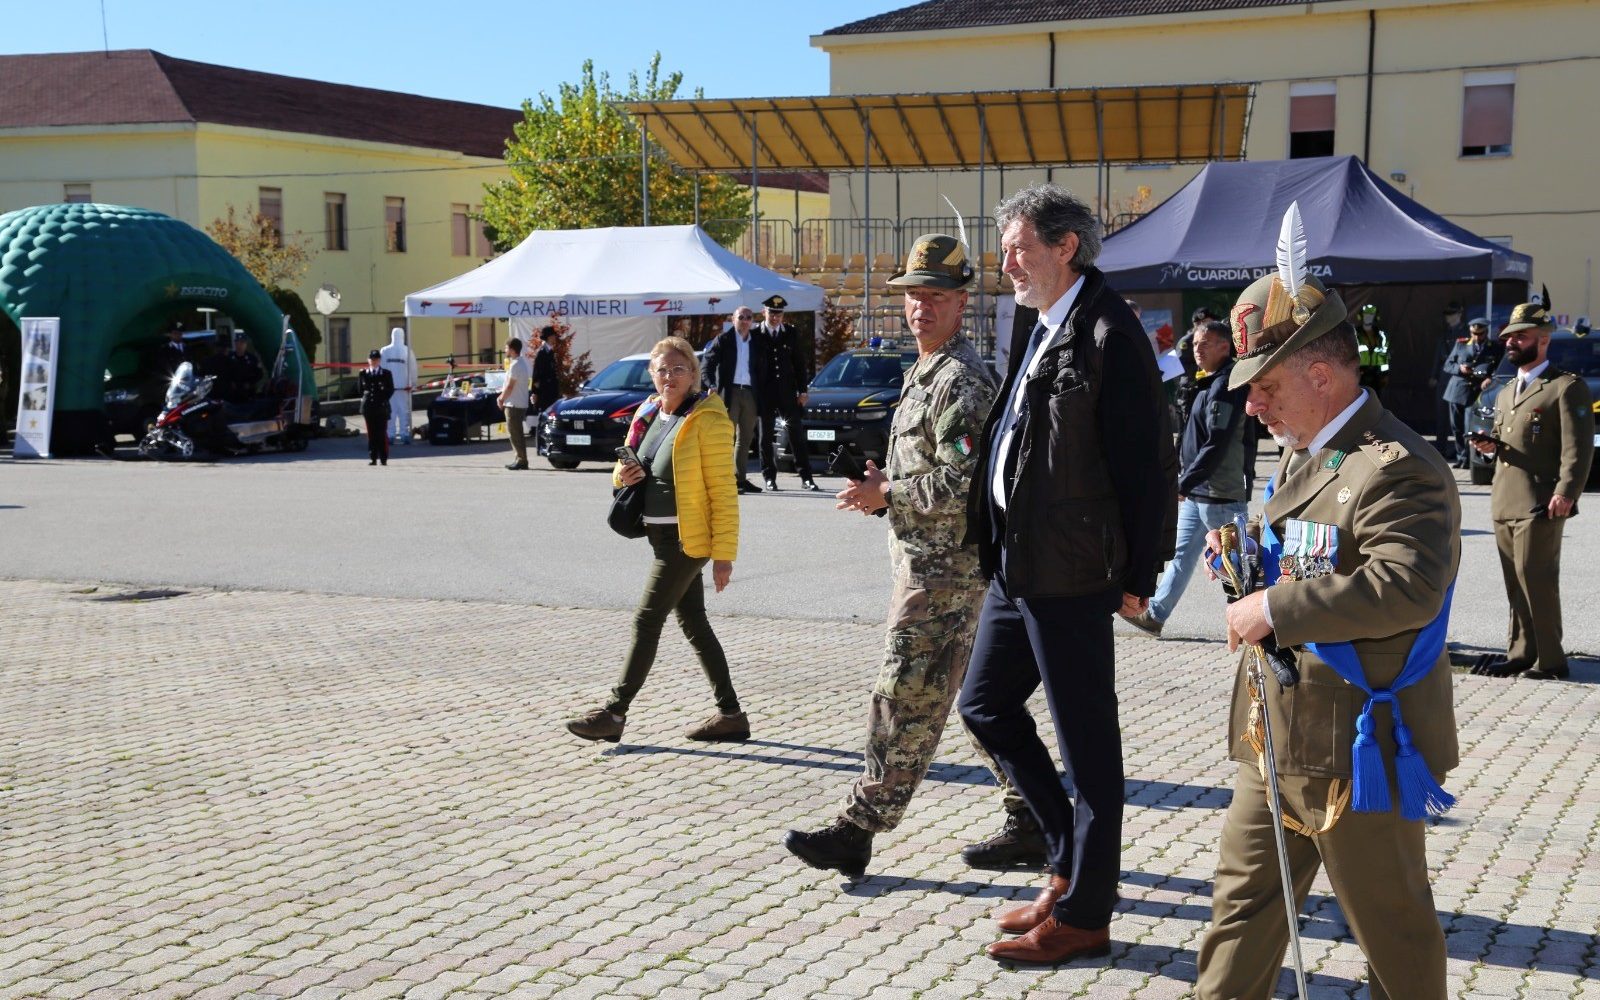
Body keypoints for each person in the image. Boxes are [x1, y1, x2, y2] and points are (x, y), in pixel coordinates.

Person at [1195, 262, 1461, 1000]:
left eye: (1265, 386)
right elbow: (1310, 550)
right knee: (1239, 914)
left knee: (1392, 933)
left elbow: (1406, 586)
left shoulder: (1399, 467)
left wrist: (1274, 610)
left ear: (1321, 374)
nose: (1252, 405)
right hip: (1276, 734)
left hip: (1359, 743)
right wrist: (1247, 557)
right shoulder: (1307, 445)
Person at [956, 183, 1172, 964]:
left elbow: (1149, 462)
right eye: (1006, 249)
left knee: (1089, 754)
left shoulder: (1109, 331)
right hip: (1019, 563)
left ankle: (1085, 914)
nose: (1007, 262)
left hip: (1072, 572)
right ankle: (1065, 862)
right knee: (984, 705)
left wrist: (1141, 569)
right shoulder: (1039, 321)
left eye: (1019, 248)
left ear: (1065, 246)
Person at [782, 233, 1027, 880]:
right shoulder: (926, 370)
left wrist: (888, 493)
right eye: (914, 294)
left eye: (936, 296)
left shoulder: (962, 381)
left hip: (945, 575)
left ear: (961, 302)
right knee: (968, 698)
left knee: (902, 695)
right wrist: (882, 485)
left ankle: (857, 827)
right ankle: (1030, 810)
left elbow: (966, 483)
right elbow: (928, 470)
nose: (922, 306)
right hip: (924, 563)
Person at [566, 336, 749, 743]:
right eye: (662, 370)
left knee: (647, 620)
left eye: (679, 369)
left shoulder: (708, 419)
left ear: (693, 374)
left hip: (686, 540)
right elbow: (625, 468)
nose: (670, 377)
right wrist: (624, 475)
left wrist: (724, 555)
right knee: (694, 623)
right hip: (658, 535)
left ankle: (614, 713)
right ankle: (731, 716)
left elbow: (724, 490)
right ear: (651, 374)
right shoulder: (649, 413)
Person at [1471, 293, 1595, 680]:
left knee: (1536, 579)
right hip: (1505, 498)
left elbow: (1577, 447)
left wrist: (1567, 492)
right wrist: (1489, 447)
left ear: (1543, 339)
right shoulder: (1506, 391)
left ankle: (1551, 661)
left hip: (1541, 500)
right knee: (1515, 581)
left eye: (1520, 336)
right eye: (1508, 336)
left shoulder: (1565, 387)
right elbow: (1510, 440)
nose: (1511, 342)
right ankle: (1521, 653)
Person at [1126, 319, 1253, 637]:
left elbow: (1217, 442)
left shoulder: (1226, 385)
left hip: (1220, 493)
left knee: (1234, 563)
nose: (1197, 349)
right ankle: (1155, 615)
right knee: (1181, 556)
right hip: (1199, 492)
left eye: (1205, 343)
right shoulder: (1208, 381)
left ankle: (1256, 622)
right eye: (1195, 344)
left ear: (1224, 346)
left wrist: (1185, 482)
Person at [702, 307, 771, 494]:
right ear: (733, 319)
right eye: (741, 317)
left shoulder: (757, 340)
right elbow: (707, 363)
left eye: (749, 317)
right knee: (726, 438)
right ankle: (724, 481)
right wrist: (711, 384)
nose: (745, 320)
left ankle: (740, 479)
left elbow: (764, 368)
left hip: (750, 394)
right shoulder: (723, 339)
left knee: (745, 438)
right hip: (729, 394)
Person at [755, 295, 820, 491]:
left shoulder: (790, 333)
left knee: (796, 435)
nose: (775, 318)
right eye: (772, 314)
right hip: (765, 394)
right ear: (764, 312)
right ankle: (769, 477)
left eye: (779, 314)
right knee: (765, 437)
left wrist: (803, 390)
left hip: (787, 392)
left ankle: (806, 477)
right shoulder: (755, 334)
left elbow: (799, 364)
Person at [1441, 316, 1501, 469]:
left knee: (1469, 427)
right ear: (1470, 332)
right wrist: (1459, 369)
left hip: (1476, 393)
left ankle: (1468, 459)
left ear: (1486, 332)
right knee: (1456, 427)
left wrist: (1490, 378)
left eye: (1480, 334)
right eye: (1474, 334)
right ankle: (1460, 458)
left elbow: (1500, 368)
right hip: (1457, 391)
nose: (1477, 337)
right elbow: (1448, 365)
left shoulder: (1495, 347)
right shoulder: (1461, 344)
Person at [1432, 301, 1469, 461]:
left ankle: (1461, 452)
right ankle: (1440, 449)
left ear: (1459, 314)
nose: (1449, 317)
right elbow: (1438, 357)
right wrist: (1433, 375)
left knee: (1458, 418)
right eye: (1447, 314)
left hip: (1459, 377)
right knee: (1442, 416)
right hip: (1444, 377)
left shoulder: (1467, 333)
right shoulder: (1444, 334)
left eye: (1451, 314)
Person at [497, 336, 532, 470]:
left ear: (512, 349)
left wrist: (501, 398)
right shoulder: (520, 363)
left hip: (514, 404)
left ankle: (521, 460)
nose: (505, 350)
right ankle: (521, 459)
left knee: (515, 433)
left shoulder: (516, 365)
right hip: (518, 402)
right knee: (517, 433)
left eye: (506, 348)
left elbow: (510, 386)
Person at [378, 327, 418, 445]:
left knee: (390, 412)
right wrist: (413, 383)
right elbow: (413, 368)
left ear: (392, 336)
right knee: (404, 411)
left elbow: (381, 368)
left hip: (389, 388)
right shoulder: (407, 350)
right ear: (403, 336)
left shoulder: (385, 351)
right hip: (404, 387)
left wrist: (381, 384)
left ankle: (390, 435)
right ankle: (404, 434)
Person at [357, 349, 394, 467]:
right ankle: (373, 458)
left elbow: (390, 390)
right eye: (372, 359)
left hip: (381, 407)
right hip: (368, 407)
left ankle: (383, 458)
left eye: (376, 359)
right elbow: (360, 390)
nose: (374, 361)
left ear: (379, 360)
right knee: (371, 433)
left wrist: (381, 400)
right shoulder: (363, 373)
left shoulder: (386, 373)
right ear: (368, 360)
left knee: (381, 433)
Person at [1355, 302, 1390, 394]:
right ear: (1361, 316)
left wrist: (1384, 374)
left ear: (1375, 317)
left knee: (1375, 398)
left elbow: (1384, 356)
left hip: (1376, 375)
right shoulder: (1354, 334)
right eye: (1366, 315)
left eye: (1371, 315)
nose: (1368, 317)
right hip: (1360, 375)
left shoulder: (1381, 335)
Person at [221, 331, 262, 403]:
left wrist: (250, 383)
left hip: (248, 393)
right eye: (237, 343)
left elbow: (259, 374)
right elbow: (223, 372)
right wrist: (229, 383)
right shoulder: (229, 357)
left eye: (242, 343)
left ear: (246, 344)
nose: (239, 345)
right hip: (233, 394)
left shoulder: (252, 358)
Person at [532, 325, 561, 414]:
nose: (555, 338)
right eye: (553, 335)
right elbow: (536, 375)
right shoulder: (542, 353)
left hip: (552, 391)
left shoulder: (551, 352)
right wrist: (535, 393)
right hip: (545, 393)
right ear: (549, 337)